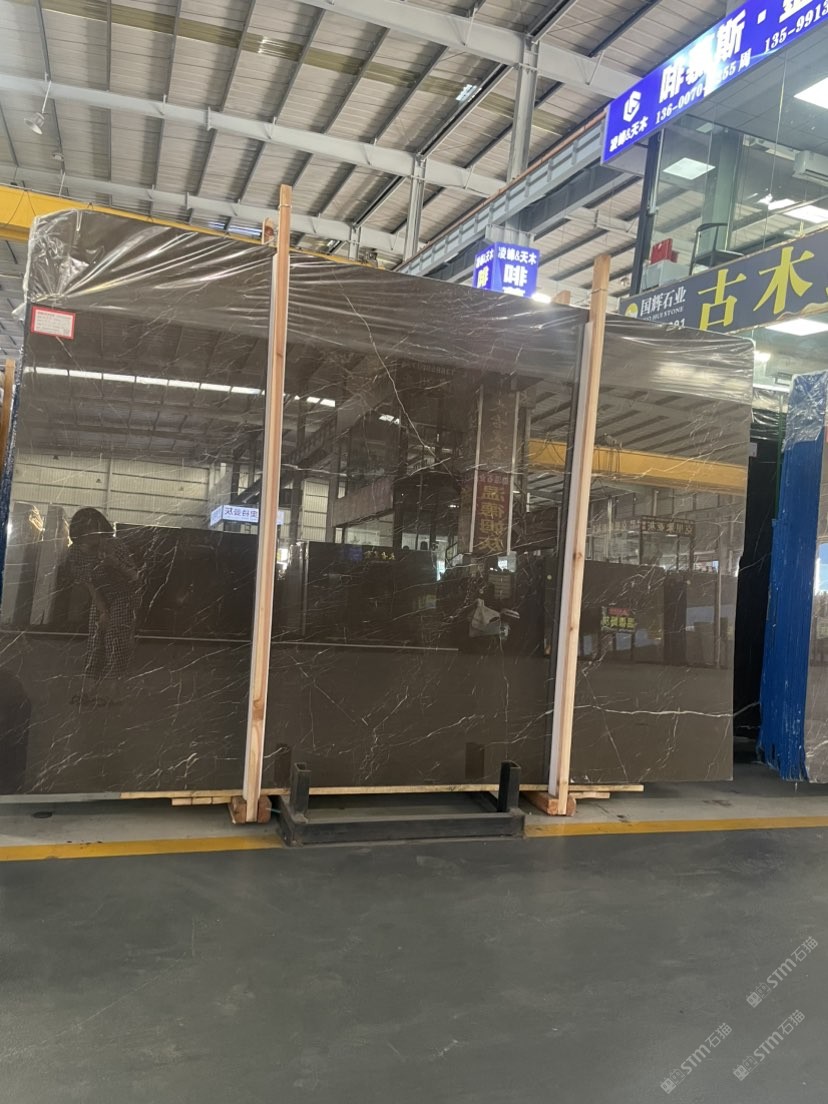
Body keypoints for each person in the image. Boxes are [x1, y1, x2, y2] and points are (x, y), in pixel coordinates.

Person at [68, 508, 141, 705]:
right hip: (101, 597)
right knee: (95, 640)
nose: (94, 533)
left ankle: (113, 693)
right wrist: (102, 612)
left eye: (96, 528)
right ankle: (89, 691)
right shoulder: (75, 552)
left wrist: (114, 563)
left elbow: (135, 577)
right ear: (79, 531)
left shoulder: (113, 545)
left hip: (125, 595)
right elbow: (89, 585)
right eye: (88, 529)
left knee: (114, 639)